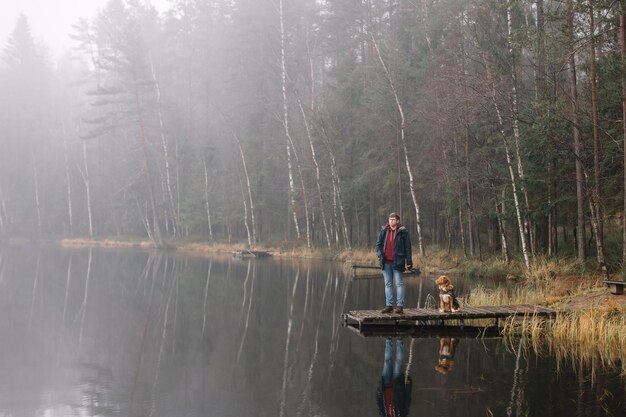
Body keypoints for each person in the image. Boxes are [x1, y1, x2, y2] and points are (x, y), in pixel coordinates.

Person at [375, 212, 413, 314]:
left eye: (393, 219)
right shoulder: (384, 231)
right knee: (388, 284)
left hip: (398, 261)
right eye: (390, 219)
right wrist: (379, 255)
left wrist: (409, 262)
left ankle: (400, 306)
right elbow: (378, 245)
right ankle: (389, 306)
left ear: (397, 221)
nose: (391, 221)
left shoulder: (403, 231)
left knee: (399, 284)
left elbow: (408, 248)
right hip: (385, 262)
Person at [376, 338, 412, 417]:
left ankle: (388, 340)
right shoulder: (402, 415)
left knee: (387, 361)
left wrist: (379, 389)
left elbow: (379, 402)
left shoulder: (383, 415)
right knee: (398, 362)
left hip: (386, 384)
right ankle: (400, 340)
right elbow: (407, 400)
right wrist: (408, 385)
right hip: (397, 384)